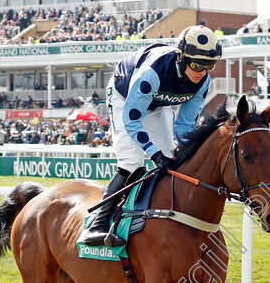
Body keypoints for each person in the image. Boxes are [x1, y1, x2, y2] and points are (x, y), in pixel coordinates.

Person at [82, 25, 222, 247]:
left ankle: (169, 219)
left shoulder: (202, 82)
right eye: (197, 64)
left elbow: (185, 125)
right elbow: (131, 119)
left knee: (173, 159)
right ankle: (96, 225)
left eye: (209, 66)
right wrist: (154, 155)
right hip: (124, 98)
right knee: (132, 163)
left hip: (157, 105)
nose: (202, 72)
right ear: (181, 58)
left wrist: (181, 152)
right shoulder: (153, 72)